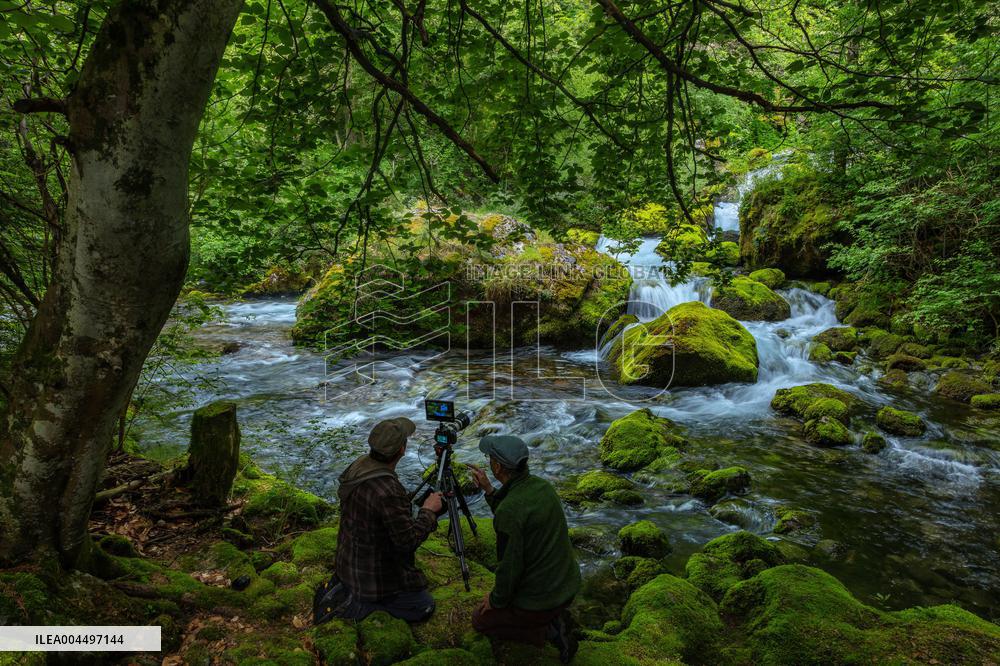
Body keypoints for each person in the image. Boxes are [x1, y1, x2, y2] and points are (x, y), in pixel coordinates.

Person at [319, 416, 444, 623]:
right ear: (402, 450)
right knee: (424, 606)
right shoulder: (388, 490)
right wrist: (428, 511)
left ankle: (353, 596)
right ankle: (361, 608)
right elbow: (407, 542)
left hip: (347, 565)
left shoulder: (358, 467)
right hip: (370, 582)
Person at [469, 434, 581, 662]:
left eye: (490, 458)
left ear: (498, 466)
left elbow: (509, 568)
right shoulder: (542, 487)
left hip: (540, 601)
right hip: (568, 585)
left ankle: (541, 633)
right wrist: (489, 490)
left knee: (479, 621)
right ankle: (551, 619)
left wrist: (495, 601)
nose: (489, 462)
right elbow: (515, 512)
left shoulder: (510, 510)